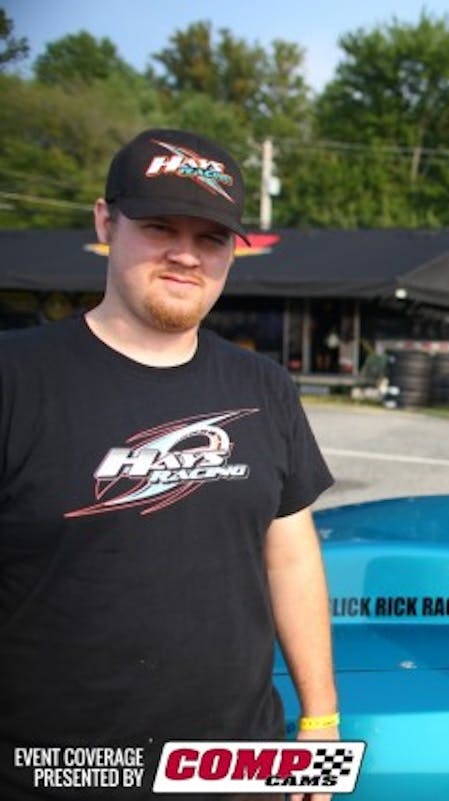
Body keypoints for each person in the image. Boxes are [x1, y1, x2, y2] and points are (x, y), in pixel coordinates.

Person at [0, 129, 339, 800]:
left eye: (211, 238)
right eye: (159, 226)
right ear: (105, 221)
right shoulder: (15, 376)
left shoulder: (264, 386)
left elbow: (291, 555)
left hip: (241, 768)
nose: (186, 254)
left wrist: (320, 726)